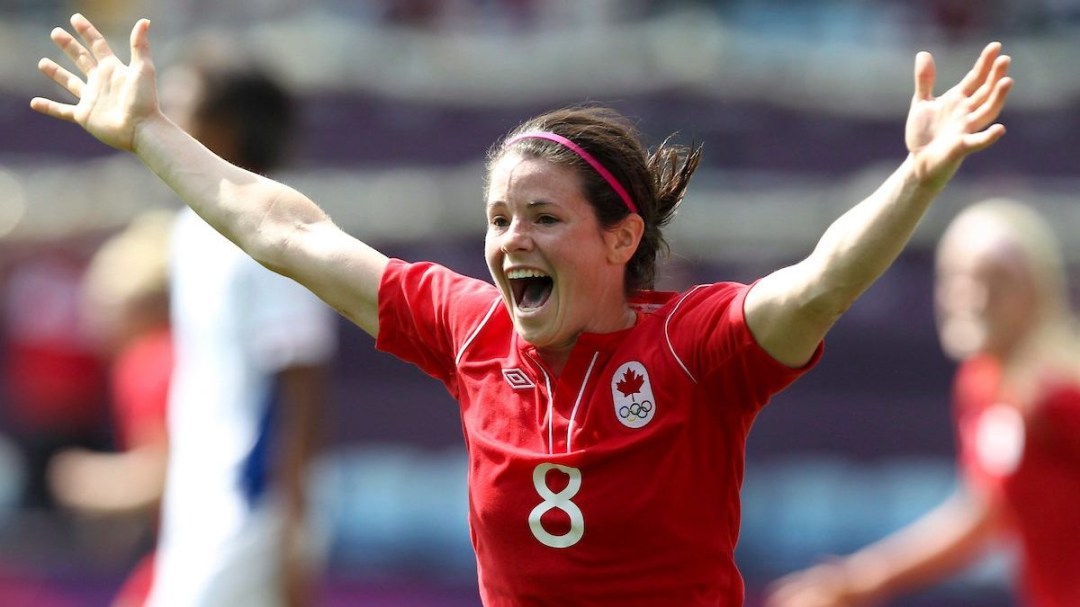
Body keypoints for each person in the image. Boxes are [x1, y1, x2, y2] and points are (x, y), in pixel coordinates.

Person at [30, 13, 1011, 606]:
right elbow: (286, 227)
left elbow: (826, 275)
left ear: (621, 239)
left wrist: (918, 177)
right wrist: (153, 136)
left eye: (544, 217)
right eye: (499, 218)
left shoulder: (701, 346)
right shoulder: (469, 328)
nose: (510, 242)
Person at [40, 32, 340, 607]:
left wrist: (292, 527)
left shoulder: (272, 230)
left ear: (224, 128)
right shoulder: (190, 231)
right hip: (198, 508)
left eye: (177, 108)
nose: (160, 117)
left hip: (249, 512)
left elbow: (300, 380)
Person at [765, 200, 1080, 607]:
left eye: (995, 280)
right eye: (957, 278)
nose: (973, 296)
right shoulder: (984, 385)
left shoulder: (1056, 395)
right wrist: (857, 581)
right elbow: (986, 513)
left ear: (1035, 289)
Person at [47, 209, 175, 607]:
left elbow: (167, 476)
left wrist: (85, 482)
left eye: (104, 301)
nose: (93, 318)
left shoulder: (151, 361)